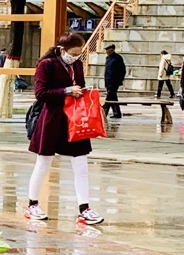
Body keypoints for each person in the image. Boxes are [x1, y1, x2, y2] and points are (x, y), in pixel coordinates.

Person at [25, 29, 103, 227]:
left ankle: (84, 209)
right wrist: (67, 91)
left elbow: (80, 85)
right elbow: (41, 93)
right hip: (52, 119)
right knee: (43, 163)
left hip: (75, 120)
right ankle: (32, 204)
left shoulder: (76, 65)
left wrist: (83, 93)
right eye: (74, 53)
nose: (76, 57)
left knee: (81, 164)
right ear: (62, 49)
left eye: (79, 54)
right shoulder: (46, 64)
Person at [102, 43, 126, 120]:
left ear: (112, 50)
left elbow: (123, 70)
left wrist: (119, 80)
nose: (106, 51)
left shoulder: (118, 58)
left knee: (109, 98)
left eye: (108, 50)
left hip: (114, 82)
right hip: (108, 81)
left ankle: (104, 112)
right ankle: (117, 113)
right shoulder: (108, 58)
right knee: (113, 98)